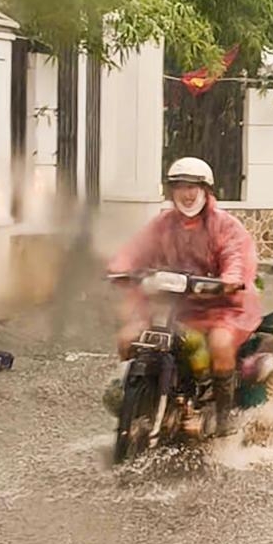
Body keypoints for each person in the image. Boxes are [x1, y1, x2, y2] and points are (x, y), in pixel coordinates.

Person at [110, 157, 260, 430]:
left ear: (206, 191)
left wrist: (229, 281)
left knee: (220, 344)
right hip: (172, 307)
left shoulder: (225, 226)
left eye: (194, 187)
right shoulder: (162, 224)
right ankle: (134, 394)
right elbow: (135, 250)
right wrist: (120, 269)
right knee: (128, 337)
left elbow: (236, 258)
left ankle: (222, 417)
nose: (187, 194)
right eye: (180, 186)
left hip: (219, 307)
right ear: (171, 191)